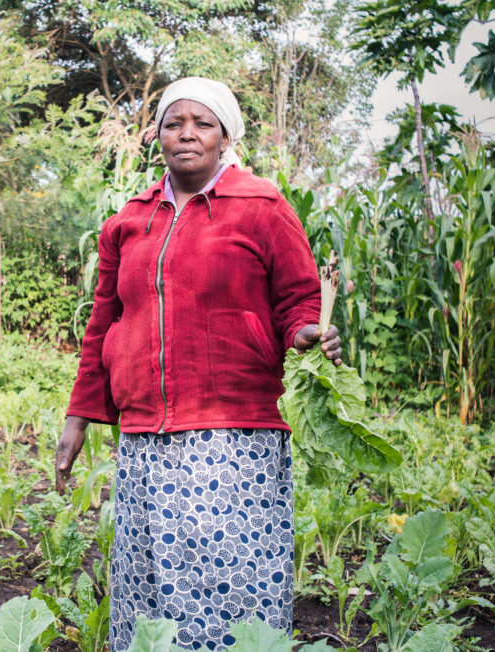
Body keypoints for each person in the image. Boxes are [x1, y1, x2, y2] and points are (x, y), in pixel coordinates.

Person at [55, 77, 342, 650]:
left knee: (227, 584)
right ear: (157, 136)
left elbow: (297, 299)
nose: (187, 134)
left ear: (225, 136)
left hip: (232, 434)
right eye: (173, 123)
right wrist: (79, 414)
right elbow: (103, 323)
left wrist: (307, 331)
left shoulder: (261, 207)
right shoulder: (131, 219)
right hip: (143, 434)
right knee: (150, 587)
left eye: (202, 123)